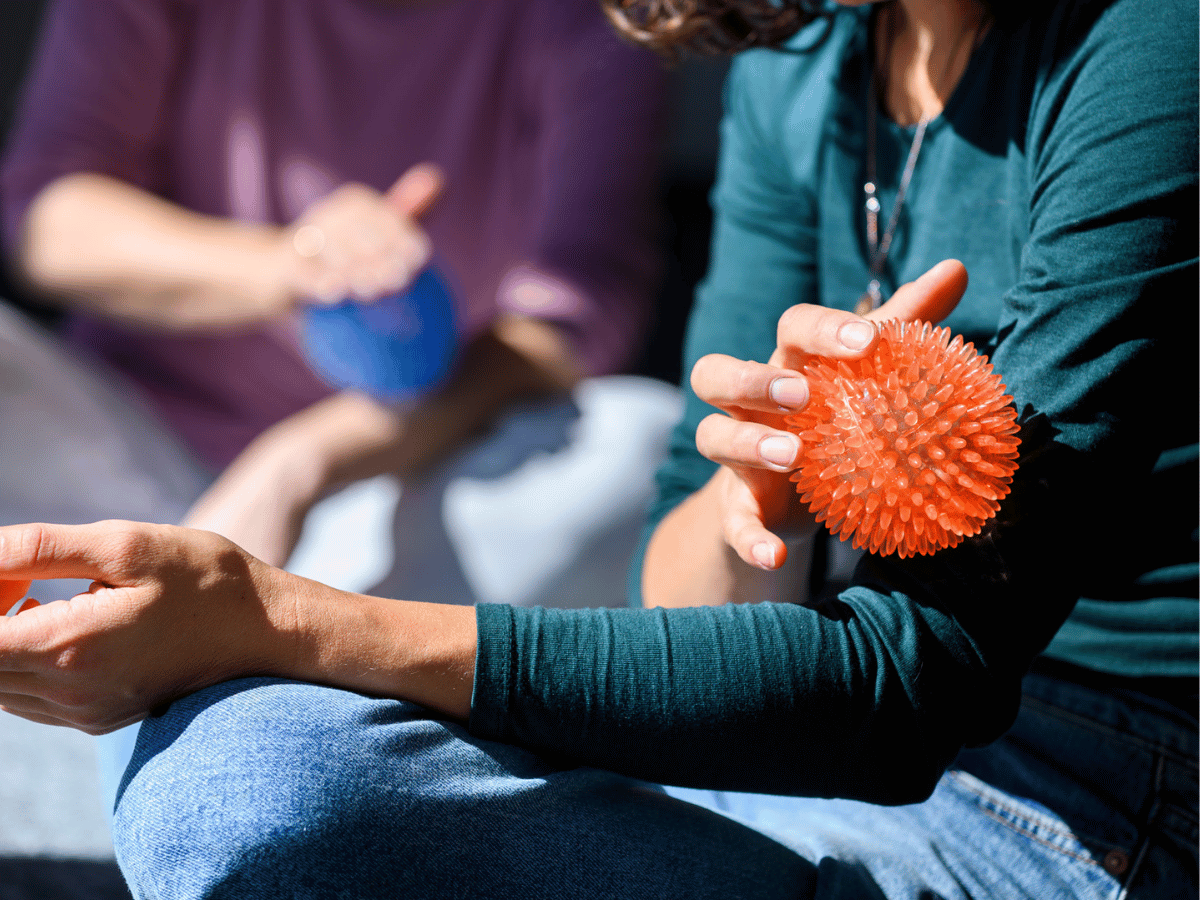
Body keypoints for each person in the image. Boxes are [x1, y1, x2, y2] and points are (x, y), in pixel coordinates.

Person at [0, 0, 1196, 898]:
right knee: (233, 753)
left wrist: (288, 623)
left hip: (1090, 796)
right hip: (793, 751)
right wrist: (745, 498)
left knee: (248, 790)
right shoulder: (799, 56)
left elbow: (913, 689)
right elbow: (682, 598)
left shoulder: (1150, 40)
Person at [0, 0, 668, 570]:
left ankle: (294, 641)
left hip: (389, 485)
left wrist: (295, 466)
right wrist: (290, 264)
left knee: (639, 443)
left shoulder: (595, 18)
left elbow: (573, 320)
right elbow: (46, 223)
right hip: (118, 455)